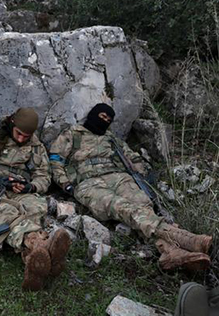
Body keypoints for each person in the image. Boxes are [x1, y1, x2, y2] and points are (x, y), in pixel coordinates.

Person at [49, 103, 212, 271]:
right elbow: (55, 160)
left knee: (143, 203)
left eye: (108, 119)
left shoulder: (111, 139)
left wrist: (142, 173)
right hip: (87, 183)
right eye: (101, 116)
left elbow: (131, 157)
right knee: (122, 207)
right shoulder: (72, 134)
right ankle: (186, 239)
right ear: (93, 115)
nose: (104, 121)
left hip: (118, 177)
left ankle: (169, 251)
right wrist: (65, 184)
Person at [0, 107, 71, 291]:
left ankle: (33, 257)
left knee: (36, 208)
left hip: (21, 189)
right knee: (5, 212)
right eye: (19, 134)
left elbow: (44, 176)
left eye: (26, 136)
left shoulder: (36, 147)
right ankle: (41, 246)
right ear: (12, 124)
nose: (22, 139)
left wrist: (31, 186)